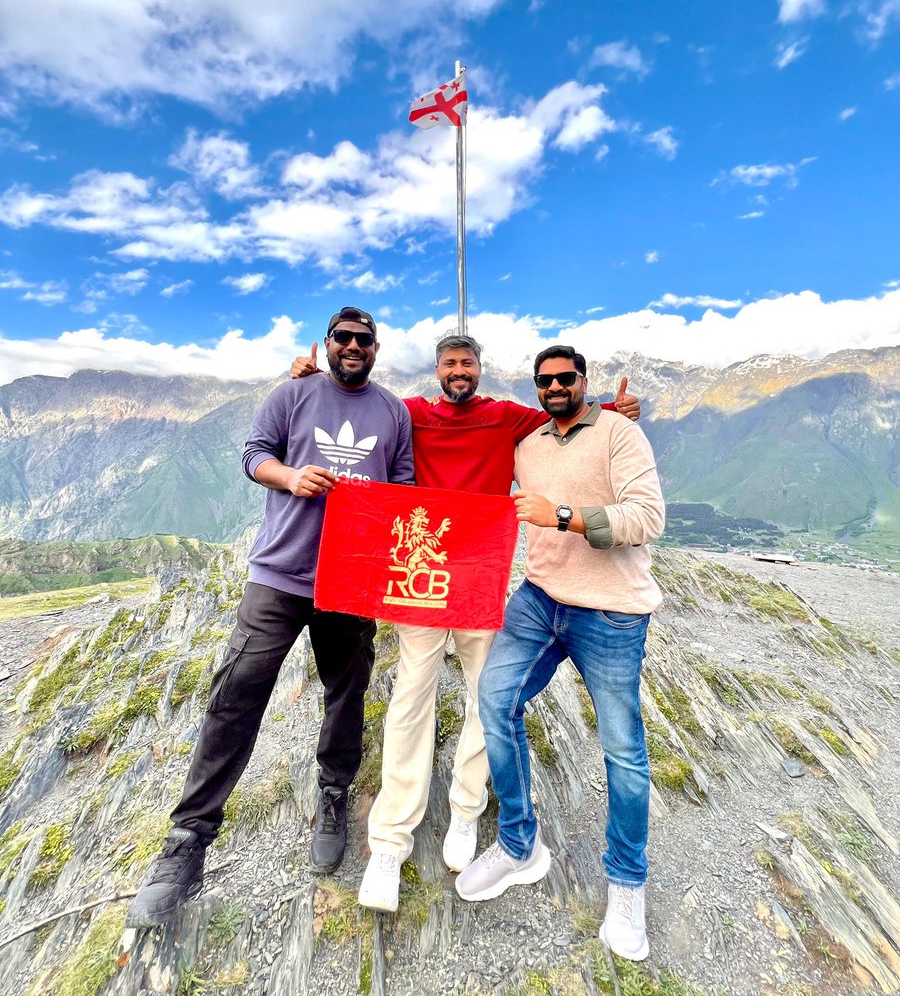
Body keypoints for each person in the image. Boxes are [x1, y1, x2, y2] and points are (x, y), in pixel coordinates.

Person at [289, 334, 641, 914]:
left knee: (488, 697)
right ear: (437, 370)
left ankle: (465, 809)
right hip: (418, 575)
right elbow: (354, 403)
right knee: (410, 697)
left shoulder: (506, 418)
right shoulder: (409, 413)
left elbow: (570, 413)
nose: (459, 371)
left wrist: (614, 410)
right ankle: (390, 840)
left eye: (467, 363)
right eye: (450, 363)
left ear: (479, 369)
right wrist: (310, 379)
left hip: (479, 571)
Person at [126, 307, 415, 928]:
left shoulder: (393, 411)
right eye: (344, 338)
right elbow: (254, 454)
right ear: (328, 343)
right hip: (280, 575)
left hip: (351, 580)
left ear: (377, 347)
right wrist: (290, 477)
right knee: (234, 695)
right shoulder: (292, 392)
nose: (354, 347)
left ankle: (333, 794)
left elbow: (403, 485)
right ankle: (187, 842)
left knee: (346, 693)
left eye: (365, 340)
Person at [455, 344, 664, 965]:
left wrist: (565, 516)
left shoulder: (620, 433)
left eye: (563, 378)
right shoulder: (529, 445)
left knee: (622, 750)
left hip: (611, 608)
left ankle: (627, 885)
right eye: (543, 380)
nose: (553, 387)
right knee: (494, 700)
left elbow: (648, 516)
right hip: (541, 599)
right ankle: (521, 846)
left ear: (582, 380)